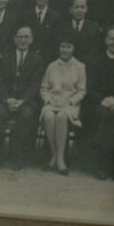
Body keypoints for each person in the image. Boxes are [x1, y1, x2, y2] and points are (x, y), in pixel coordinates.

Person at [81, 26, 114, 181]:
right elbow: (90, 87)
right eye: (112, 38)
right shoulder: (96, 61)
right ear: (106, 40)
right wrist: (102, 99)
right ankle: (101, 164)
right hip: (98, 102)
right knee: (102, 115)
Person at [0, 26, 45, 170]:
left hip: (25, 101)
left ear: (31, 39)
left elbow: (35, 85)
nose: (23, 40)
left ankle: (17, 155)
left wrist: (22, 101)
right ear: (15, 39)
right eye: (20, 37)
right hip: (7, 99)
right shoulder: (6, 56)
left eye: (26, 37)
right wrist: (6, 99)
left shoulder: (37, 59)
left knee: (26, 115)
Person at [39, 37, 86, 176]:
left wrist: (70, 101)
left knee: (61, 116)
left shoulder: (80, 67)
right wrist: (48, 100)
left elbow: (82, 91)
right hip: (52, 102)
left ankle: (60, 159)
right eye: (62, 46)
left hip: (70, 104)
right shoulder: (51, 66)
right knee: (48, 116)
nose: (64, 50)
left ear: (73, 49)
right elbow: (44, 88)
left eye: (68, 47)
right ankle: (55, 155)